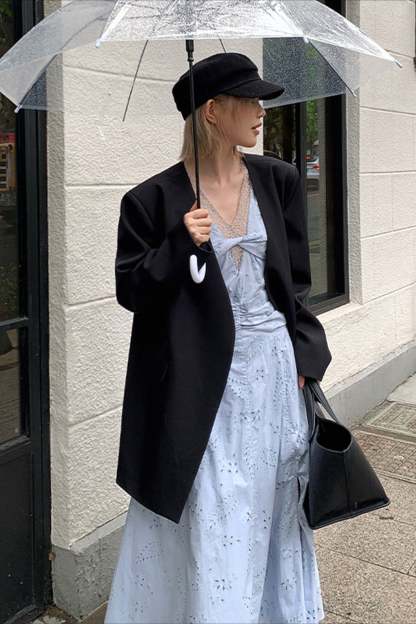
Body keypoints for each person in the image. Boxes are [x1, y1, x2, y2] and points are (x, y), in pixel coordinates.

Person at [104, 52, 331, 623]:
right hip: (199, 383)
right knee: (212, 501)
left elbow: (295, 283)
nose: (261, 112)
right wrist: (178, 245)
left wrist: (304, 356)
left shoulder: (277, 180)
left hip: (273, 372)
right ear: (212, 111)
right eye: (249, 101)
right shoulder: (151, 200)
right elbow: (131, 290)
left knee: (272, 497)